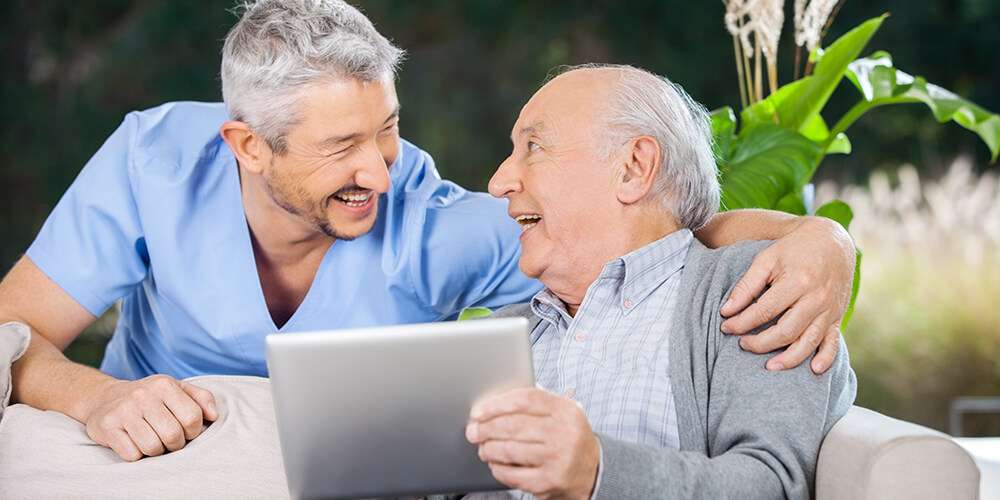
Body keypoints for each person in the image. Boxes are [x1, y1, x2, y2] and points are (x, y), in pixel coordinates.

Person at [0, 0, 854, 462]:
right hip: (149, 459)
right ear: (249, 146)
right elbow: (11, 332)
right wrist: (100, 397)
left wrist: (820, 241)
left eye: (388, 128)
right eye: (342, 147)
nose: (381, 170)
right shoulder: (154, 160)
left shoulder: (437, 225)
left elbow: (666, 236)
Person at [464, 65, 856, 499]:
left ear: (634, 168)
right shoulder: (505, 331)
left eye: (533, 147)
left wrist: (598, 471)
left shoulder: (752, 292)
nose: (498, 181)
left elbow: (772, 487)